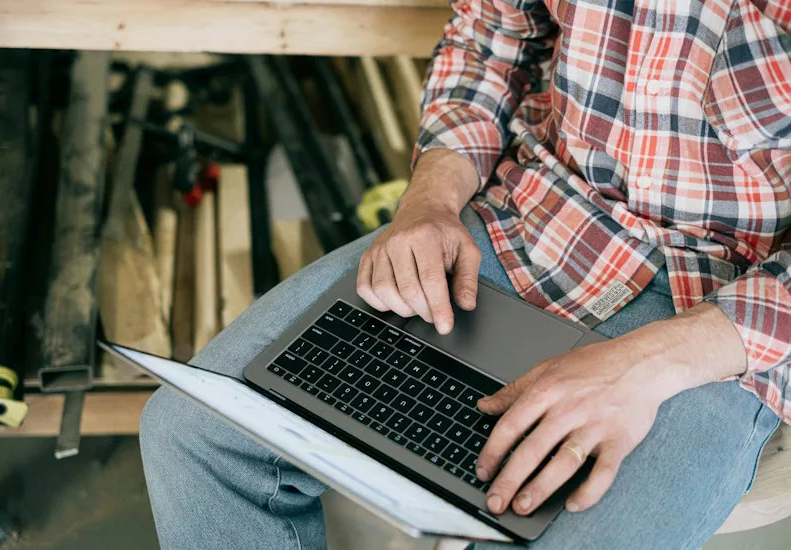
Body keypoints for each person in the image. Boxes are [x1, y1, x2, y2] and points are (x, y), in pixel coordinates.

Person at [139, 1, 791, 548]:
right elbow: (491, 37)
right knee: (195, 434)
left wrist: (649, 364)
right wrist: (429, 200)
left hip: (733, 305)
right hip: (533, 217)